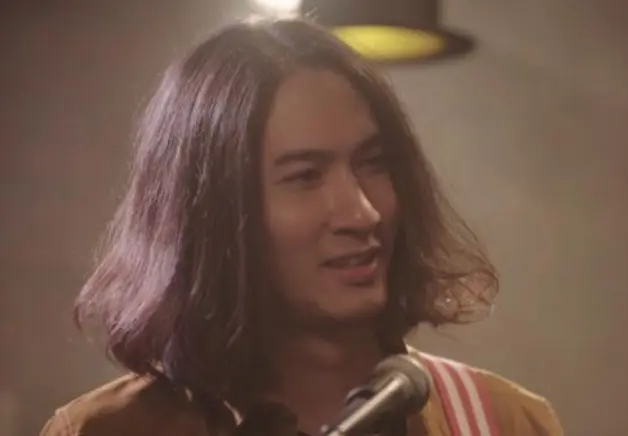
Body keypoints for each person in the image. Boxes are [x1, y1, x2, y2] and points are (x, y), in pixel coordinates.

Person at [40, 17, 563, 436]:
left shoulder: (503, 422)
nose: (363, 213)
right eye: (306, 176)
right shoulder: (105, 430)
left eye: (374, 163)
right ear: (216, 214)